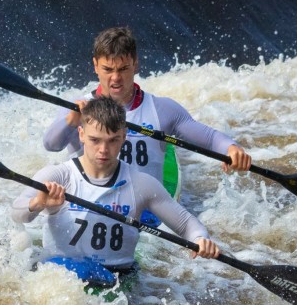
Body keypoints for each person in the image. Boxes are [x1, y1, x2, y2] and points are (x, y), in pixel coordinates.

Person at [12, 96, 220, 275]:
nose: (103, 149)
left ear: (123, 138)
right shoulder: (58, 175)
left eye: (112, 141)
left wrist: (201, 239)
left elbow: (186, 224)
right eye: (95, 140)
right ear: (81, 135)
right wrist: (37, 203)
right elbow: (17, 213)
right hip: (61, 275)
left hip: (118, 279)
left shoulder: (141, 184)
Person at [43, 26, 251, 200]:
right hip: (91, 204)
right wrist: (70, 122)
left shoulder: (162, 110)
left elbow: (210, 138)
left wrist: (231, 148)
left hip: (145, 208)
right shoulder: (77, 108)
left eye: (123, 69)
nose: (115, 78)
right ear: (95, 66)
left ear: (136, 64)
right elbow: (51, 145)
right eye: (108, 69)